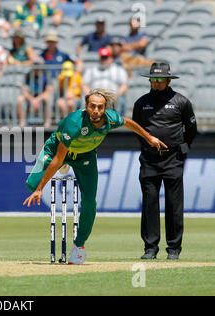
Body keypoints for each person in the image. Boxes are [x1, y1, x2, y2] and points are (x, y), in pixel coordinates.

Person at [23, 88, 167, 264]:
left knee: (90, 202)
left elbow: (128, 122)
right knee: (31, 184)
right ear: (86, 106)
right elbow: (58, 158)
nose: (96, 111)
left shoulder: (111, 118)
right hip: (58, 150)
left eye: (100, 107)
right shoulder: (74, 123)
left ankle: (79, 247)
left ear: (105, 108)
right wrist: (39, 189)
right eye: (92, 107)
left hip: (86, 156)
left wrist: (149, 137)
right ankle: (62, 169)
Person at [132, 63, 198, 260]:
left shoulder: (181, 101)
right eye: (153, 80)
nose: (157, 83)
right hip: (150, 160)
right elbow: (138, 130)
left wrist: (181, 150)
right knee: (149, 204)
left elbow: (191, 129)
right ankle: (150, 248)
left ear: (169, 80)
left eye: (160, 80)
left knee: (174, 205)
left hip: (173, 159)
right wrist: (148, 148)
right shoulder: (141, 103)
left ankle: (174, 249)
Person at [83, 47, 128, 115]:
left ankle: (119, 122)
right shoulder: (91, 70)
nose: (104, 60)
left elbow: (124, 85)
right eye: (102, 57)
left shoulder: (119, 70)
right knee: (82, 101)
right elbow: (85, 85)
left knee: (121, 101)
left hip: (113, 97)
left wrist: (117, 95)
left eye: (106, 57)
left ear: (111, 58)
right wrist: (89, 96)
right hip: (95, 96)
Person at [17, 58, 53, 127]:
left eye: (38, 66)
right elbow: (24, 90)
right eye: (35, 66)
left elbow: (49, 90)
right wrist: (32, 100)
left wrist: (37, 100)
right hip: (31, 97)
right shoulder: (28, 75)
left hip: (41, 96)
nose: (37, 69)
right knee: (20, 99)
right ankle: (22, 122)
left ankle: (48, 122)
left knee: (47, 98)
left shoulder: (46, 75)